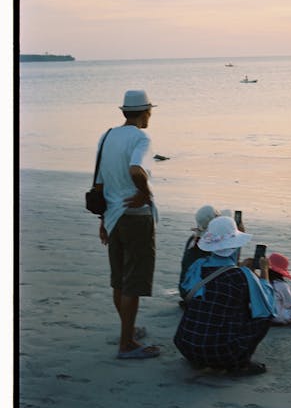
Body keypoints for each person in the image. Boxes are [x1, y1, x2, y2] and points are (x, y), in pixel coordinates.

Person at [95, 89, 160, 360]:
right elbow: (136, 169)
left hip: (112, 216)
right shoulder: (140, 138)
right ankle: (127, 344)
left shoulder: (107, 136)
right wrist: (145, 194)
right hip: (136, 219)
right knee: (133, 281)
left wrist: (102, 220)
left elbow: (99, 183)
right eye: (150, 111)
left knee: (119, 279)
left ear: (124, 112)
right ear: (145, 112)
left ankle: (128, 329)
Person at [174, 215, 275, 375]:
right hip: (220, 352)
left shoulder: (198, 266)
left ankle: (199, 357)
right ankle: (241, 363)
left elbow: (192, 290)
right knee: (264, 315)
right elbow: (268, 304)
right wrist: (264, 271)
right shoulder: (243, 275)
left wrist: (239, 267)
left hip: (186, 344)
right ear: (235, 245)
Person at [178, 206, 246, 300]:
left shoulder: (193, 239)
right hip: (198, 294)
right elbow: (229, 264)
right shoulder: (210, 244)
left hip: (185, 289)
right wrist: (237, 239)